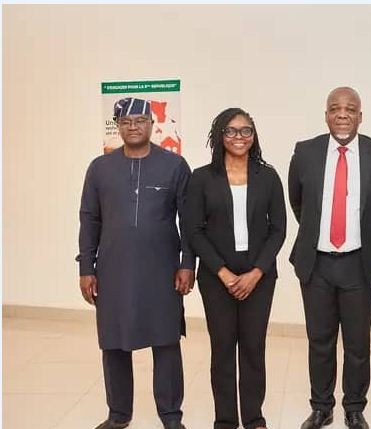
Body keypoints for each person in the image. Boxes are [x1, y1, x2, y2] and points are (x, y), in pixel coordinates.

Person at [78, 97, 195, 429]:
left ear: (152, 125)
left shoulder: (175, 166)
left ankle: (171, 416)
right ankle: (118, 415)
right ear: (118, 126)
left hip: (162, 271)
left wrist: (188, 263)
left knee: (166, 341)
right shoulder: (100, 168)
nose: (133, 127)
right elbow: (89, 219)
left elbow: (189, 221)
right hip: (113, 271)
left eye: (140, 121)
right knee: (114, 343)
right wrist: (86, 267)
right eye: (126, 122)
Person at [288, 86, 371, 429]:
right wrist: (319, 234)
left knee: (357, 342)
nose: (342, 114)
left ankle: (354, 407)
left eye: (350, 109)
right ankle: (322, 407)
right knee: (319, 341)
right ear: (326, 114)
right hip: (317, 263)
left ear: (360, 116)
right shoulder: (305, 152)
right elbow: (298, 202)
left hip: (358, 263)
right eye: (335, 108)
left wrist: (358, 234)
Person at [186, 108, 286, 429]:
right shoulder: (202, 178)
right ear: (220, 136)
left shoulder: (268, 177)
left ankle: (254, 418)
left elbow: (278, 230)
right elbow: (193, 230)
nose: (238, 137)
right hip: (217, 277)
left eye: (245, 131)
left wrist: (256, 272)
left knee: (254, 348)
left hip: (259, 277)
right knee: (223, 349)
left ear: (253, 136)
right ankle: (226, 420)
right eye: (230, 131)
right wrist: (223, 272)